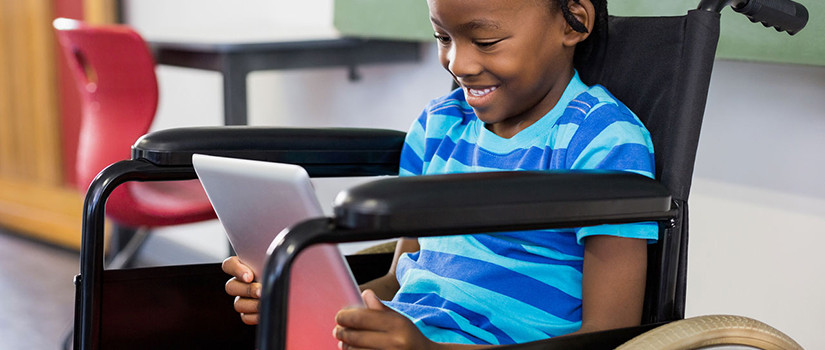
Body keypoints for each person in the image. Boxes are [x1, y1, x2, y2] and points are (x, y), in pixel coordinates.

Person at [222, 0, 658, 348]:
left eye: (486, 41)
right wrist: (306, 302)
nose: (458, 64)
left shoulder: (603, 139)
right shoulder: (439, 126)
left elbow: (610, 335)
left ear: (573, 23)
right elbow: (403, 278)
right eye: (442, 37)